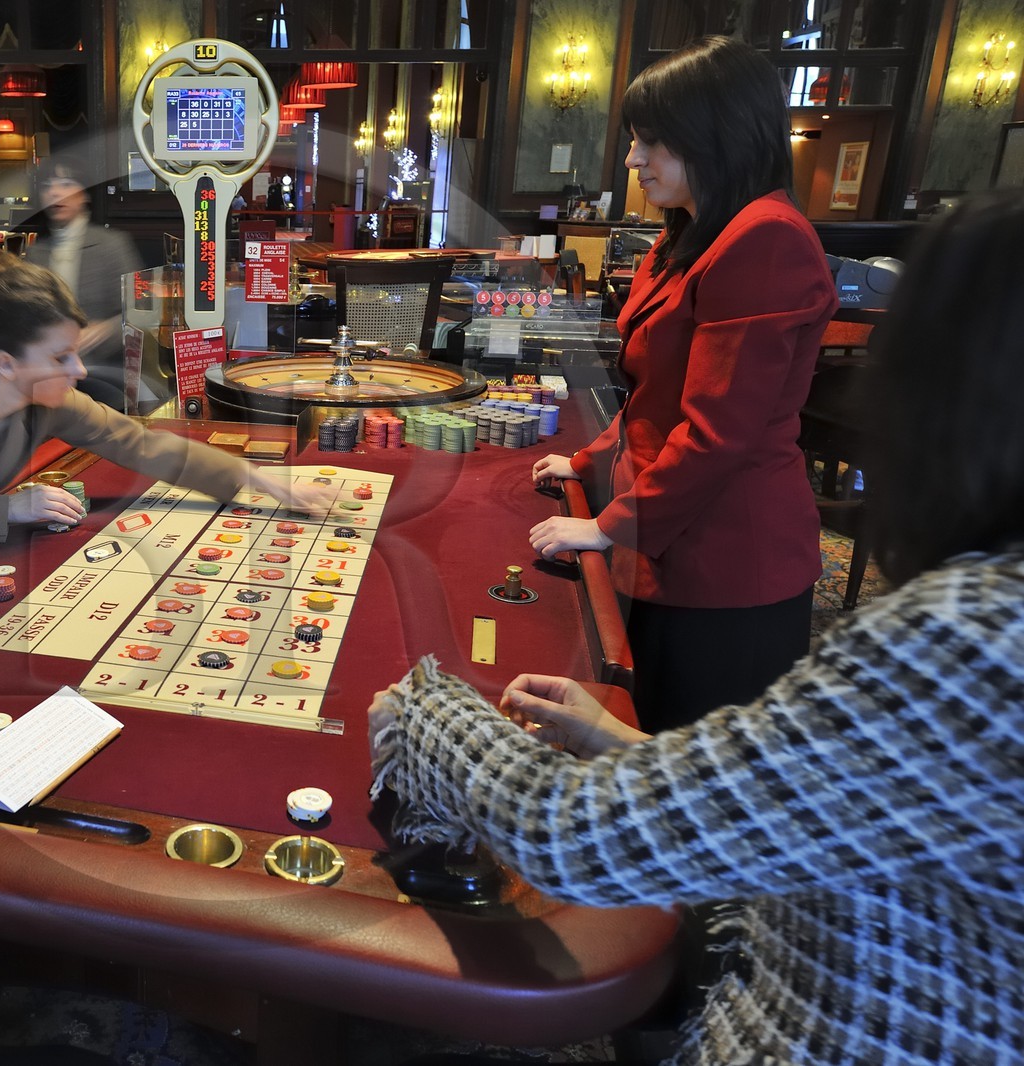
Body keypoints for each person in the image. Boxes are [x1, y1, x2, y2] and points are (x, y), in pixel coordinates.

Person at [370, 189, 1024, 1066]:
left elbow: (576, 836)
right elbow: (814, 812)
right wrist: (621, 742)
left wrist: (427, 711)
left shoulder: (967, 638)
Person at [528, 36, 836, 732]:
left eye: (653, 142)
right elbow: (651, 396)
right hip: (673, 537)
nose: (634, 160)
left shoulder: (765, 240)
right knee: (645, 747)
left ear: (717, 137)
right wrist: (584, 461)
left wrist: (608, 526)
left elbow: (715, 434)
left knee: (693, 779)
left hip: (728, 564)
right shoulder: (692, 233)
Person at [0, 251, 333, 543]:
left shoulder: (47, 397)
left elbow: (141, 444)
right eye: (61, 356)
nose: (79, 369)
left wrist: (260, 480)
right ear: (6, 363)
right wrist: (7, 510)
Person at [22, 157, 144, 408]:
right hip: (50, 377)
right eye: (47, 186)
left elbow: (139, 310)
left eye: (66, 183)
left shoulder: (112, 244)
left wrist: (103, 331)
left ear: (84, 194)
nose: (55, 192)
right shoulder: (37, 252)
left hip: (103, 374)